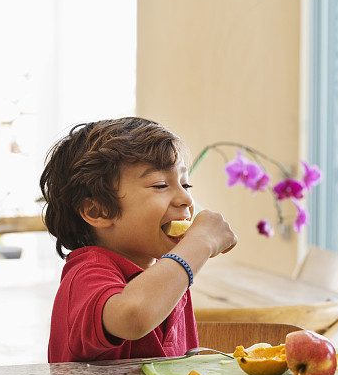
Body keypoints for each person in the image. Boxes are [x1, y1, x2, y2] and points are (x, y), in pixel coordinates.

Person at [41, 117, 237, 362]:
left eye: (185, 184)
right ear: (97, 211)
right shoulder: (87, 273)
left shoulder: (166, 276)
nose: (186, 199)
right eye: (160, 185)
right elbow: (133, 315)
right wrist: (199, 244)